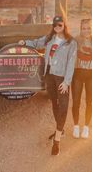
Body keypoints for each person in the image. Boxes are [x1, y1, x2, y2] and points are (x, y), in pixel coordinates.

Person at [19, 15, 77, 155]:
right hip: (49, 75)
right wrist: (24, 42)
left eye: (60, 25)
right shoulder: (50, 38)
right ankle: (60, 129)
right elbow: (36, 43)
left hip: (61, 77)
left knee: (63, 105)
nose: (57, 27)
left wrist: (67, 81)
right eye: (55, 25)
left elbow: (71, 62)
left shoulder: (70, 42)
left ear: (64, 25)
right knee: (54, 103)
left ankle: (57, 140)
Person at [72, 19, 92, 139]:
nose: (86, 31)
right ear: (80, 29)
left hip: (91, 75)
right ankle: (76, 126)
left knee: (90, 101)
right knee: (76, 101)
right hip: (77, 73)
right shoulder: (75, 41)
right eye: (84, 28)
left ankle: (86, 127)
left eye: (88, 28)